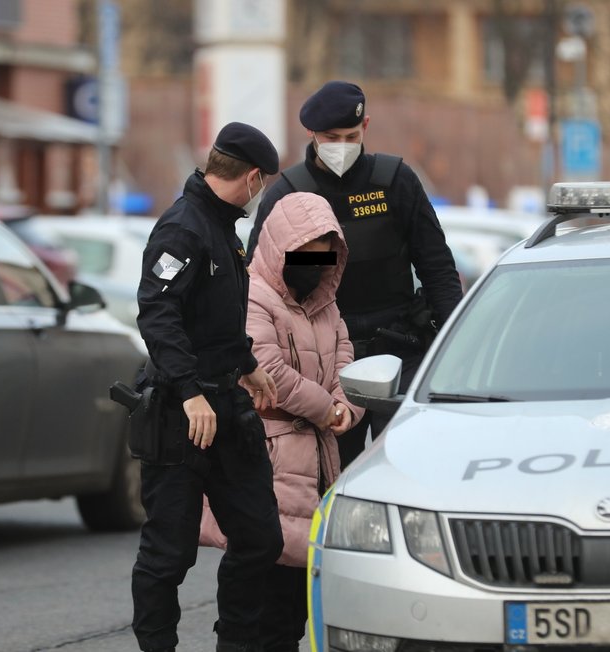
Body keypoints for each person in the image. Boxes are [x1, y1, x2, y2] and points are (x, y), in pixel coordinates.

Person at [246, 80, 463, 469]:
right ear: (311, 134)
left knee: (406, 467)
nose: (341, 146)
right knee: (331, 476)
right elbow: (264, 281)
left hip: (399, 348)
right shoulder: (291, 193)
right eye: (331, 137)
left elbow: (436, 268)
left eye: (350, 135)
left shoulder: (394, 180)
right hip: (325, 359)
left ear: (366, 128)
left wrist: (457, 345)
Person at [131, 121, 285, 652]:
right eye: (263, 183)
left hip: (225, 403)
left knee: (260, 538)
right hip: (181, 414)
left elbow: (213, 316)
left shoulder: (223, 227)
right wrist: (190, 390)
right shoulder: (184, 228)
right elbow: (158, 314)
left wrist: (246, 363)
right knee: (169, 553)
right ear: (253, 176)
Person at [201, 191, 365, 652]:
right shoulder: (251, 295)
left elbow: (348, 365)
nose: (314, 266)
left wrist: (345, 409)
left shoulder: (326, 305)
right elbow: (266, 368)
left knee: (293, 606)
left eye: (324, 256)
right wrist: (326, 408)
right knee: (260, 590)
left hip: (318, 461)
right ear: (279, 245)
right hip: (266, 457)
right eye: (305, 254)